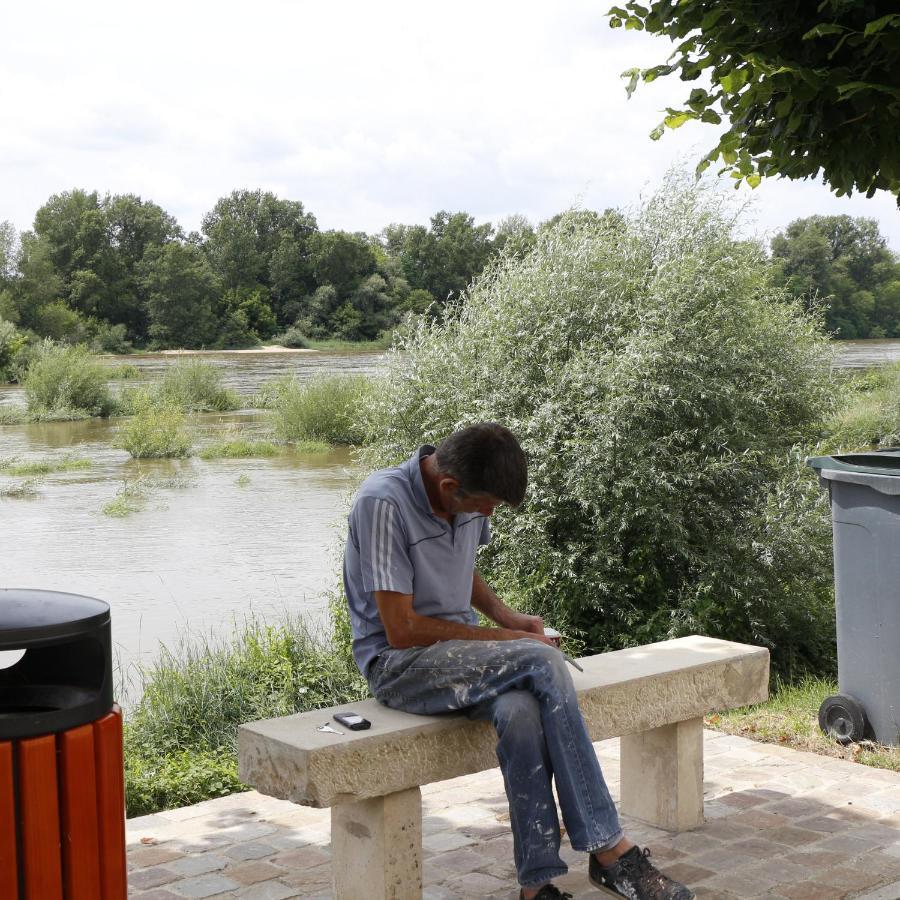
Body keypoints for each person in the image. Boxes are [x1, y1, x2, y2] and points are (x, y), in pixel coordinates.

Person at [343, 423, 694, 900]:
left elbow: (460, 568)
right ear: (450, 486)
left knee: (521, 713)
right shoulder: (382, 503)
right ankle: (610, 850)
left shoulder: (461, 497)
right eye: (486, 505)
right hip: (400, 666)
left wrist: (511, 618)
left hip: (461, 660)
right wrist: (506, 640)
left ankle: (536, 885)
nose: (490, 514)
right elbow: (401, 628)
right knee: (543, 661)